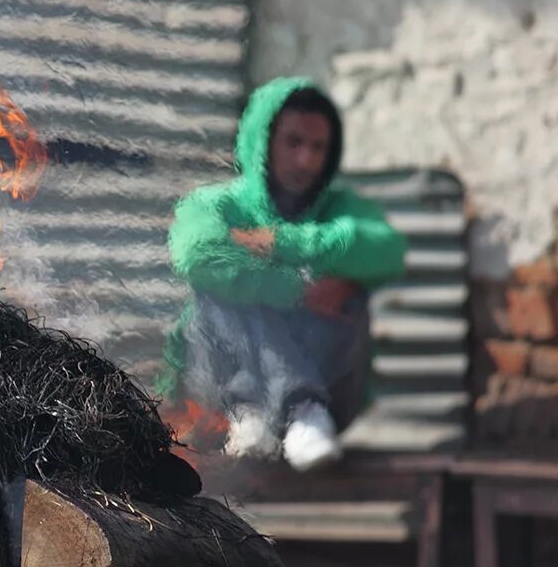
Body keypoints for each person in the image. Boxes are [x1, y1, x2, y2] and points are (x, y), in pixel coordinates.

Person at [156, 77, 407, 471]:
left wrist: (280, 241)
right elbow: (195, 254)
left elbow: (387, 251)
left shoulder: (343, 208)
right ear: (263, 142)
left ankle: (292, 411)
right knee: (216, 290)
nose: (306, 160)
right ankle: (278, 408)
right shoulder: (216, 205)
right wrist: (296, 288)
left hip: (332, 395)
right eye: (293, 142)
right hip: (218, 400)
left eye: (318, 147)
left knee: (348, 291)